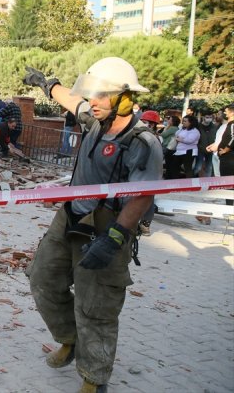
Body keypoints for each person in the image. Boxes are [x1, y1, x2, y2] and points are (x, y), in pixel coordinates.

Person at [23, 57, 162, 393]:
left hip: (108, 223)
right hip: (71, 215)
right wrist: (46, 84)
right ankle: (70, 339)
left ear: (124, 99)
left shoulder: (142, 143)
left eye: (102, 95)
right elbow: (72, 100)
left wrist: (115, 237)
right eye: (93, 94)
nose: (93, 101)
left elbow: (143, 195)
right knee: (42, 279)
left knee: (96, 304)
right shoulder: (95, 119)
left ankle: (94, 378)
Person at [166, 115, 199, 179]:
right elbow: (176, 134)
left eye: (185, 121)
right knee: (174, 166)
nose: (183, 122)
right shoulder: (183, 129)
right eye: (183, 121)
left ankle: (189, 182)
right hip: (179, 151)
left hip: (189, 151)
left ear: (190, 122)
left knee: (187, 168)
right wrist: (179, 138)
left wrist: (181, 139)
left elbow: (190, 140)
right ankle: (175, 181)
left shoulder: (195, 131)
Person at [208, 107, 230, 177]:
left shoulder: (228, 126)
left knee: (221, 176)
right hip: (215, 153)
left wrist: (216, 147)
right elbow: (218, 140)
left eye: (219, 114)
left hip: (221, 153)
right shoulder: (221, 126)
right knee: (217, 175)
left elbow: (227, 140)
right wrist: (211, 146)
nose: (217, 115)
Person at [194, 111, 216, 177]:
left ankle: (207, 181)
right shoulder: (198, 126)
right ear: (203, 117)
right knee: (198, 167)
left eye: (210, 117)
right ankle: (191, 179)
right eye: (207, 117)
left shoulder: (214, 126)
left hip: (211, 150)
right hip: (200, 149)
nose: (209, 119)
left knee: (209, 167)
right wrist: (199, 146)